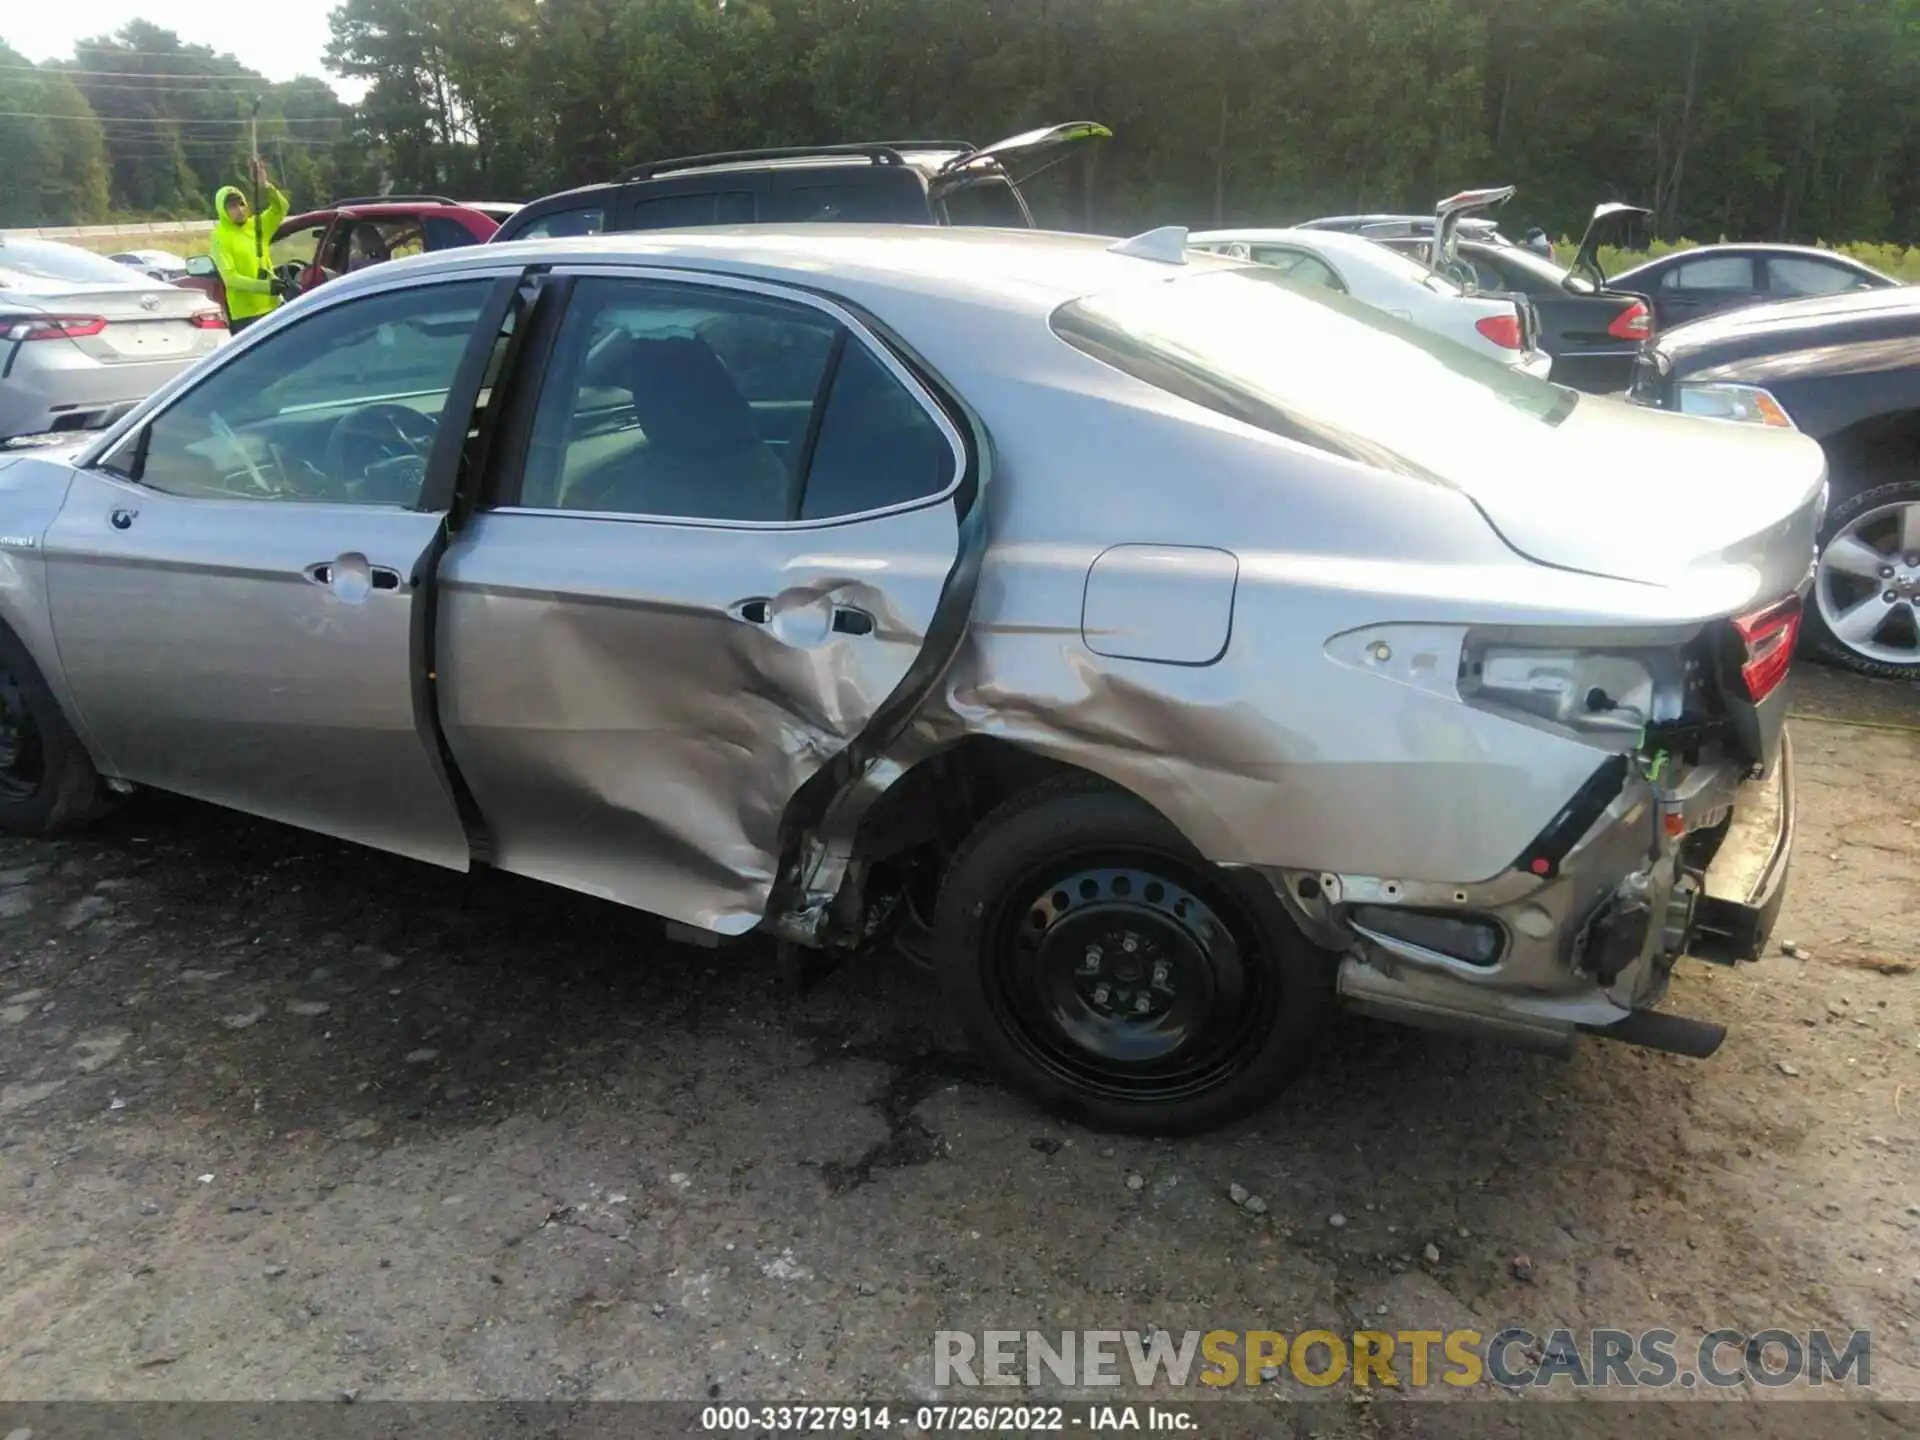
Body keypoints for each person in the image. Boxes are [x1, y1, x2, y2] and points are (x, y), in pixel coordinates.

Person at [210, 156, 293, 333]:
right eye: (232, 206)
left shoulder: (257, 225)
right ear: (222, 210)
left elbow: (281, 208)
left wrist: (265, 185)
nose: (239, 210)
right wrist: (266, 287)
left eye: (241, 203)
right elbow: (231, 279)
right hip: (246, 316)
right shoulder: (219, 237)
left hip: (273, 307)